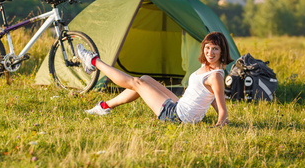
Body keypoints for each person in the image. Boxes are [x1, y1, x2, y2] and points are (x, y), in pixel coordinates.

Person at [77, 31, 232, 126]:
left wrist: (221, 122)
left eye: (215, 49)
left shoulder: (215, 75)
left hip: (177, 117)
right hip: (181, 107)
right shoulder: (209, 69)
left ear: (222, 52)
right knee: (145, 79)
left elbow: (222, 108)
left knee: (136, 83)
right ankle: (104, 107)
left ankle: (93, 61)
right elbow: (210, 97)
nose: (210, 52)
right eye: (207, 47)